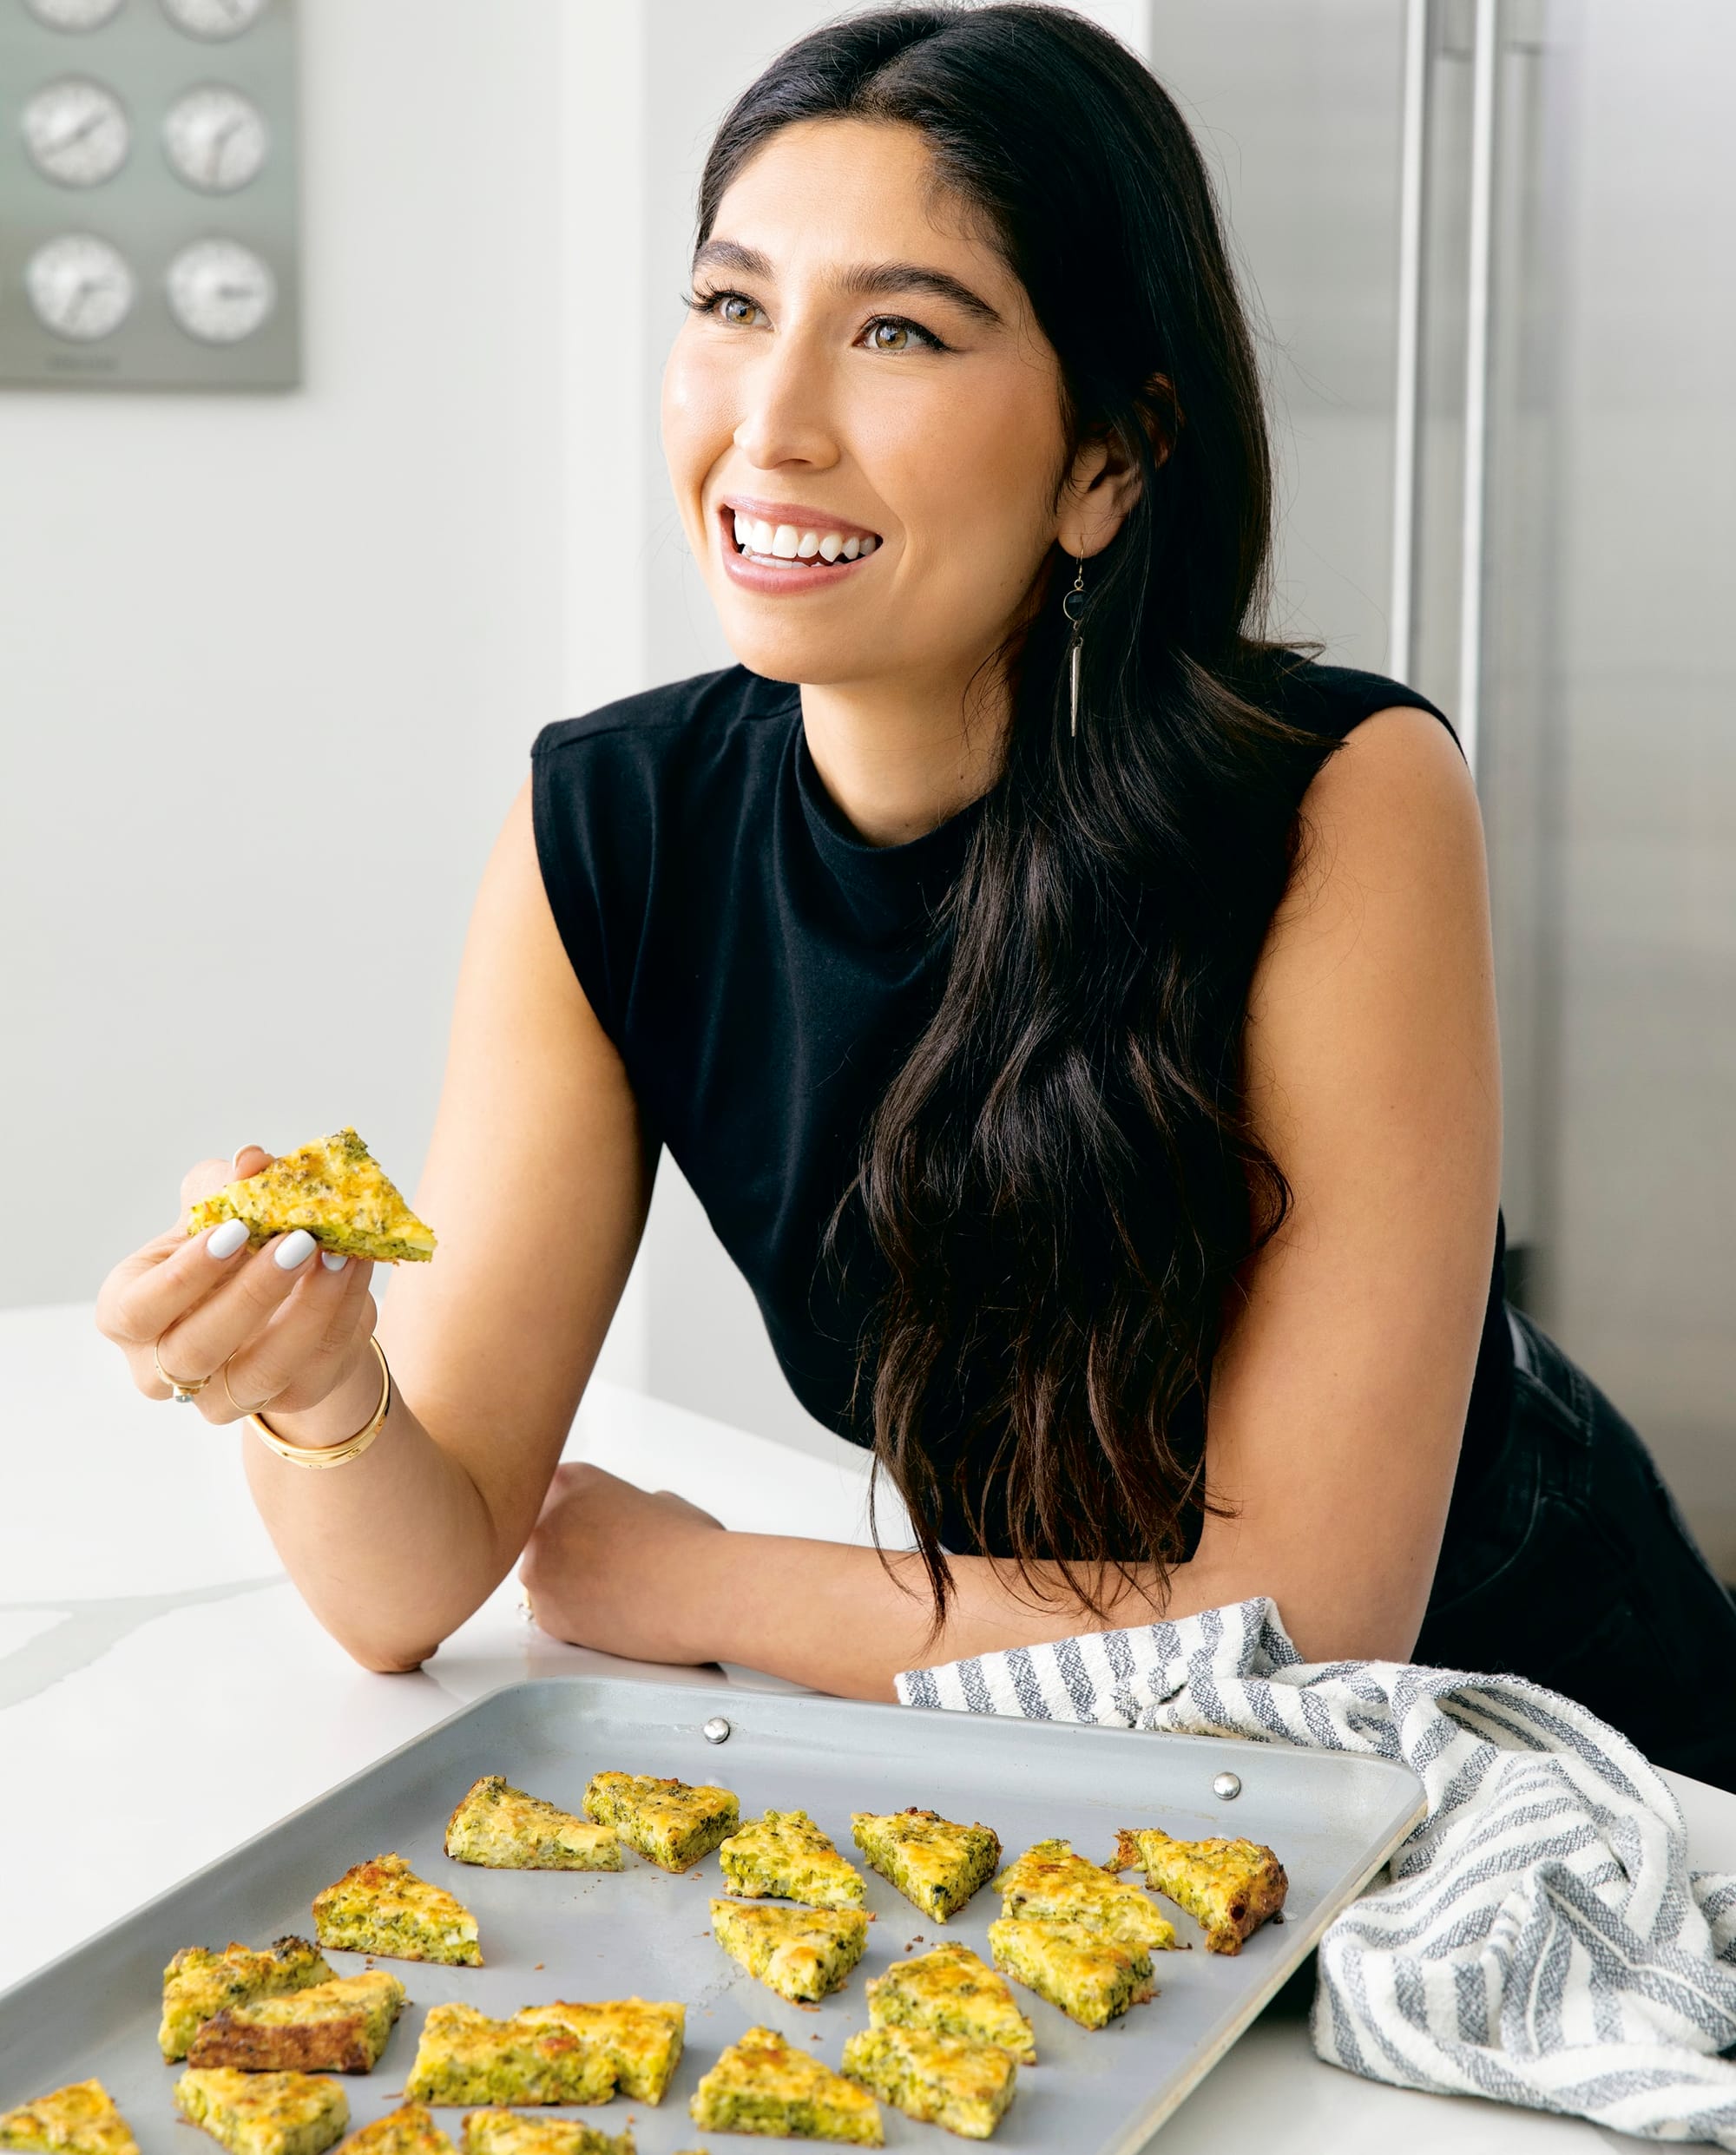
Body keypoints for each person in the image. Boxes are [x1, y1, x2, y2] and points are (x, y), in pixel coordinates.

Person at [95, 4, 1736, 1788]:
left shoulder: (1339, 793)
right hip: (1108, 1786)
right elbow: (406, 1590)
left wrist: (698, 1577)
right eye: (732, 306)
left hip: (1546, 1763)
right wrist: (321, 1383)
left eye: (897, 331)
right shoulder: (612, 828)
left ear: (1107, 462)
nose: (772, 422)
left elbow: (1310, 1625)